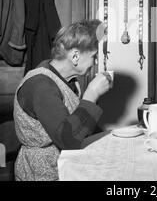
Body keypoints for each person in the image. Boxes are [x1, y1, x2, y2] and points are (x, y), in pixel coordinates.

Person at [13, 19, 111, 181]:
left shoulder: (66, 79)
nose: (95, 63)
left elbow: (76, 123)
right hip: (42, 171)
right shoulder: (41, 85)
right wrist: (91, 95)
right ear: (75, 56)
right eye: (93, 56)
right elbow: (68, 140)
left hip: (63, 163)